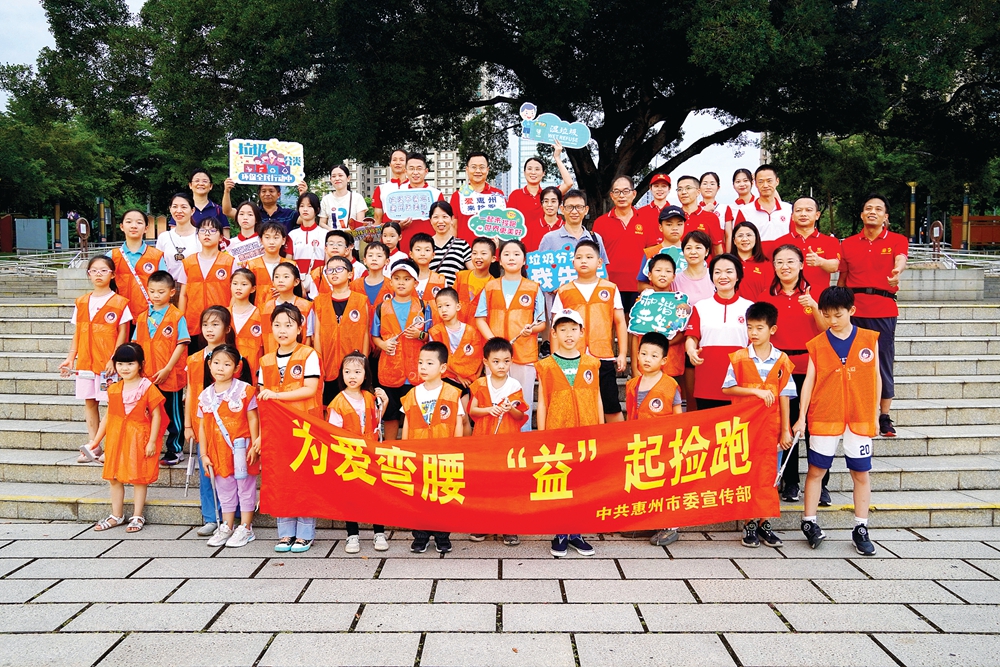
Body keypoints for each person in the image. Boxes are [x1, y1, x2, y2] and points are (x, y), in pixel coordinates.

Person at [792, 286, 879, 556]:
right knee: (817, 470)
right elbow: (809, 382)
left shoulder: (869, 339)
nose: (832, 321)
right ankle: (809, 521)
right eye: (827, 315)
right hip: (825, 414)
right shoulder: (818, 344)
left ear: (851, 311)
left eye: (838, 315)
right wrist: (801, 418)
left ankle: (861, 527)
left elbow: (876, 377)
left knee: (860, 473)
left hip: (859, 416)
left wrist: (876, 414)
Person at [759, 245, 830, 504]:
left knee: (815, 426)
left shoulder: (816, 293)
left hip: (811, 367)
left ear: (801, 264)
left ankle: (820, 482)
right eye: (779, 262)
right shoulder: (766, 297)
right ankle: (791, 482)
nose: (785, 266)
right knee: (786, 425)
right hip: (781, 369)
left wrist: (814, 306)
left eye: (790, 261)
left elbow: (827, 329)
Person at [721, 302, 796, 547]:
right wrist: (755, 392)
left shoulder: (782, 360)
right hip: (745, 428)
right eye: (750, 327)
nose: (753, 333)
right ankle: (749, 523)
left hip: (773, 428)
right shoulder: (739, 357)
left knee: (770, 476)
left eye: (759, 328)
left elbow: (785, 395)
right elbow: (727, 388)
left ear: (772, 329)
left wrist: (786, 430)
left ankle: (765, 522)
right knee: (748, 475)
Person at [837, 194, 907, 437]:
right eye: (868, 208)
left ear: (885, 216)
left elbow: (901, 259)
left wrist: (897, 271)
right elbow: (842, 278)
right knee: (851, 362)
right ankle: (853, 410)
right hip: (854, 311)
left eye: (878, 209)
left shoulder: (897, 240)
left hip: (883, 310)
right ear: (861, 214)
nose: (872, 212)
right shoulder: (848, 244)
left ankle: (884, 416)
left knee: (883, 361)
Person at [258, 303, 323, 552]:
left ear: (299, 328)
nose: (282, 330)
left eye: (288, 325)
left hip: (305, 428)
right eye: (277, 325)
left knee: (304, 479)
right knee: (281, 479)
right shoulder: (265, 360)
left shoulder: (308, 355)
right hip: (277, 430)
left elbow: (310, 389)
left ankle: (305, 534)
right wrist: (261, 435)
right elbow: (262, 399)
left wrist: (276, 395)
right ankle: (285, 534)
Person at [535, 309, 599, 558]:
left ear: (582, 332)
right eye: (563, 329)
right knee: (560, 481)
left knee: (582, 483)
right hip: (557, 433)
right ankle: (560, 532)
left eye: (573, 329)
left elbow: (597, 397)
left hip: (585, 431)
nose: (569, 334)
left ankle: (577, 533)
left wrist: (601, 429)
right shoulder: (546, 366)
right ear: (553, 333)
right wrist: (542, 433)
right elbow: (542, 401)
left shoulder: (591, 364)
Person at [88, 343, 166, 533]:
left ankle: (137, 515)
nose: (125, 368)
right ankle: (117, 515)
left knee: (139, 477)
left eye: (130, 364)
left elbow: (157, 415)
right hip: (116, 438)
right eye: (120, 364)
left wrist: (152, 441)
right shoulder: (114, 388)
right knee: (114, 477)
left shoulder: (147, 387)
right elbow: (108, 416)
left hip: (139, 437)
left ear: (141, 364)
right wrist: (96, 441)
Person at [64, 256, 132, 463]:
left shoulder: (120, 303)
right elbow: (78, 332)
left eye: (104, 270)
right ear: (89, 274)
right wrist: (70, 357)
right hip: (85, 362)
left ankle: (111, 447)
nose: (98, 274)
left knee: (112, 405)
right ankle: (93, 447)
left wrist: (114, 359)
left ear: (112, 275)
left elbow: (123, 334)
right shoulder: (81, 302)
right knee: (90, 402)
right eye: (94, 271)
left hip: (108, 365)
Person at [474, 240, 547, 431]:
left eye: (516, 254)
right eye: (506, 254)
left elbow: (542, 322)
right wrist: (494, 342)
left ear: (524, 260)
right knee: (495, 401)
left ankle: (522, 439)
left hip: (524, 353)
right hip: (496, 356)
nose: (511, 258)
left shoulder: (533, 287)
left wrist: (532, 330)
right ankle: (496, 439)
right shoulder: (490, 286)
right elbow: (480, 318)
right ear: (499, 260)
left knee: (522, 402)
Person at [552, 240, 627, 422]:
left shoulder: (610, 288)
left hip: (603, 356)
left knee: (611, 404)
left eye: (589, 257)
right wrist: (556, 358)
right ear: (573, 262)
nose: (583, 261)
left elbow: (620, 322)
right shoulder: (564, 291)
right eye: (579, 257)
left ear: (599, 262)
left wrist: (622, 353)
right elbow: (555, 328)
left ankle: (619, 439)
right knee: (575, 404)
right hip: (572, 357)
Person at [402, 341, 465, 554]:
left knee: (442, 496)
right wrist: (406, 450)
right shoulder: (412, 393)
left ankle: (442, 536)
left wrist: (457, 449)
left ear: (443, 367)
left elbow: (458, 423)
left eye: (429, 363)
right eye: (420, 362)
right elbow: (407, 423)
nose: (423, 367)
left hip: (444, 454)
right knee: (420, 496)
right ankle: (420, 536)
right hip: (419, 454)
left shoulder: (452, 393)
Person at [186, 306, 242, 537]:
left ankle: (236, 513)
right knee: (207, 471)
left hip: (232, 425)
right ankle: (211, 517)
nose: (209, 329)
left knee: (233, 470)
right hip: (204, 423)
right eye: (205, 325)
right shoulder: (193, 359)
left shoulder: (236, 357)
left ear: (227, 328)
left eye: (215, 324)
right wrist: (188, 425)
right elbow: (191, 392)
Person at [327, 352, 390, 553]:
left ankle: (379, 532)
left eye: (357, 371)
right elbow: (334, 432)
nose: (352, 376)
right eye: (347, 372)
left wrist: (385, 402)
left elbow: (377, 421)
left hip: (371, 453)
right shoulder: (338, 401)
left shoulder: (369, 397)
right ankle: (352, 534)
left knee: (375, 495)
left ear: (365, 374)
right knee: (351, 496)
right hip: (349, 455)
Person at [467, 337, 527, 546]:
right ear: (486, 362)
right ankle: (483, 523)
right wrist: (489, 410)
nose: (501, 366)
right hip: (484, 438)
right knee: (484, 482)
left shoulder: (514, 385)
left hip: (507, 440)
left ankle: (509, 526)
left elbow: (520, 415)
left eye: (506, 361)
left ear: (512, 361)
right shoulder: (480, 384)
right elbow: (473, 411)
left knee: (508, 482)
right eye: (496, 361)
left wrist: (510, 409)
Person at [625, 331, 683, 547]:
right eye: (643, 354)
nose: (647, 359)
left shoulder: (670, 385)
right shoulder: (633, 385)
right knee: (645, 482)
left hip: (664, 444)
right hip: (640, 444)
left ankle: (670, 526)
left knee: (664, 485)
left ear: (664, 360)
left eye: (654, 355)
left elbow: (678, 417)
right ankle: (648, 521)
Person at [199, 345, 260, 547]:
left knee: (245, 487)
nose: (220, 368)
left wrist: (255, 444)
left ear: (236, 367)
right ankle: (227, 525)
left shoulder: (244, 390)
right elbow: (203, 427)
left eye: (227, 364)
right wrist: (203, 454)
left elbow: (253, 418)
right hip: (218, 450)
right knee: (224, 488)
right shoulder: (205, 395)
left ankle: (246, 527)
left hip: (242, 447)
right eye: (216, 363)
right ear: (209, 364)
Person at [371, 259, 434, 442]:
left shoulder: (424, 306)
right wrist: (383, 345)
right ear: (390, 282)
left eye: (407, 279)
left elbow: (432, 335)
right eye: (397, 278)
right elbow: (375, 336)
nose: (401, 282)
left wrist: (419, 335)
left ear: (415, 283)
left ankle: (412, 448)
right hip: (390, 369)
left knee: (414, 412)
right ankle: (390, 447)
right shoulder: (382, 307)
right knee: (390, 414)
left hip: (417, 370)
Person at [132, 270, 189, 466]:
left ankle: (175, 449)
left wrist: (167, 369)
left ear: (172, 292)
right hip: (147, 375)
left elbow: (182, 344)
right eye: (152, 291)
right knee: (149, 413)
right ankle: (149, 447)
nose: (156, 295)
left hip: (170, 374)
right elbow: (136, 344)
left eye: (161, 292)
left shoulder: (177, 316)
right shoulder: (142, 317)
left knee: (173, 413)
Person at [685, 254, 753, 410]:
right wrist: (691, 350)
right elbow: (691, 337)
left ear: (738, 276)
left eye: (729, 271)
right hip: (707, 383)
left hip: (740, 384)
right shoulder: (701, 307)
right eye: (717, 272)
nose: (723, 276)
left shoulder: (749, 307)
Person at [536, 189, 610, 317]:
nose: (574, 211)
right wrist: (551, 287)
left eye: (579, 207)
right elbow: (540, 274)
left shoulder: (595, 238)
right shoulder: (549, 239)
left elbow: (604, 274)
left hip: (590, 305)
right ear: (562, 209)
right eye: (570, 207)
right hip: (559, 307)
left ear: (586, 210)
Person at [314, 255, 370, 406]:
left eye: (339, 269)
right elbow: (317, 335)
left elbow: (365, 333)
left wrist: (363, 362)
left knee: (354, 406)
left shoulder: (361, 300)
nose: (334, 273)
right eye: (330, 270)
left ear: (350, 274)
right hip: (328, 364)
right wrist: (320, 363)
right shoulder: (320, 301)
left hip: (353, 366)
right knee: (329, 407)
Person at [630, 255, 686, 400]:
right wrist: (634, 366)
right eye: (658, 270)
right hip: (645, 362)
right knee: (644, 402)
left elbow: (683, 333)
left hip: (671, 361)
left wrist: (663, 345)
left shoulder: (680, 302)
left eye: (668, 271)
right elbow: (635, 335)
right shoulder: (641, 302)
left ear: (674, 276)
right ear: (649, 275)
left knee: (670, 401)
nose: (663, 274)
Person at [590, 175, 646, 315]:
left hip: (638, 285)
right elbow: (595, 255)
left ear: (634, 194)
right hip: (609, 284)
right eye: (617, 192)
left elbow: (652, 254)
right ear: (612, 196)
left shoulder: (646, 220)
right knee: (611, 323)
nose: (621, 196)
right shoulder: (600, 223)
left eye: (626, 191)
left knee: (634, 324)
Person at [430, 287, 484, 431]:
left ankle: (465, 444)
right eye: (439, 307)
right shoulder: (435, 332)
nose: (443, 310)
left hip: (466, 381)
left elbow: (477, 358)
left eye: (447, 305)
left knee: (464, 418)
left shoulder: (471, 331)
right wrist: (458, 375)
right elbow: (436, 359)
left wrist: (472, 378)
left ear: (458, 306)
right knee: (446, 418)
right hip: (444, 379)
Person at [178, 217, 235, 349]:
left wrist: (228, 315)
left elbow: (235, 294)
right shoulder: (188, 262)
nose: (207, 234)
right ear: (197, 235)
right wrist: (181, 320)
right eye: (203, 230)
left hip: (220, 322)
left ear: (221, 237)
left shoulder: (230, 262)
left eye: (212, 230)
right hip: (193, 322)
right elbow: (183, 295)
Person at [509, 145, 575, 253]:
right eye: (529, 169)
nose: (533, 172)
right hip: (523, 248)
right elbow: (509, 222)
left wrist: (557, 157)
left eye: (537, 169)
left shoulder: (548, 196)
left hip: (549, 246)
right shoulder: (515, 195)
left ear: (543, 173)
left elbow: (569, 183)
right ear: (524, 172)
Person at [108, 209, 166, 332]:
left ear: (146, 228)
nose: (134, 226)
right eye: (129, 222)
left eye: (139, 222)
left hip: (148, 316)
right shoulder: (112, 256)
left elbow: (164, 285)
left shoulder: (156, 256)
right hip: (119, 315)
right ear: (122, 227)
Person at [771, 196, 841, 290]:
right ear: (792, 216)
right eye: (798, 210)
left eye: (808, 210)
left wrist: (820, 261)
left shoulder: (830, 241)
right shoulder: (780, 242)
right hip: (788, 295)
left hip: (819, 295)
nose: (803, 214)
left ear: (817, 215)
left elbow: (834, 266)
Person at [452, 152, 507, 244]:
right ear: (467, 169)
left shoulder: (498, 195)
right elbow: (453, 226)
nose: (478, 171)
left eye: (482, 167)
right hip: (465, 250)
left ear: (487, 170)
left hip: (492, 250)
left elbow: (505, 225)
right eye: (473, 167)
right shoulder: (457, 195)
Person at [260, 262, 314, 355]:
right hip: (272, 357)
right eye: (277, 277)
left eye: (286, 277)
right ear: (273, 282)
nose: (281, 280)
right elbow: (264, 337)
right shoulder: (267, 307)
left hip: (298, 357)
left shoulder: (306, 306)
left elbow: (308, 336)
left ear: (296, 282)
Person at [396, 153, 445, 252]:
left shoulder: (436, 194)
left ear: (426, 171)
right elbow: (392, 223)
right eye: (411, 169)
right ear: (405, 171)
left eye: (419, 168)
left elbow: (443, 222)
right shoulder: (398, 193)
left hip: (430, 246)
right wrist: (399, 226)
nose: (415, 172)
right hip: (405, 245)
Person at [222, 182, 308, 233]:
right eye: (263, 191)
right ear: (259, 194)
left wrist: (303, 195)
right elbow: (227, 211)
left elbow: (305, 218)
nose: (267, 194)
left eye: (271, 191)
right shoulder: (252, 213)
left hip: (284, 256)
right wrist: (227, 191)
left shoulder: (289, 214)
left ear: (279, 194)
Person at [734, 164, 789, 242]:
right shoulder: (745, 211)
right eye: (761, 181)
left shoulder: (789, 209)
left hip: (785, 250)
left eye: (769, 181)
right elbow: (739, 239)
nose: (765, 185)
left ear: (777, 181)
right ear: (755, 184)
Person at [636, 205, 685, 291]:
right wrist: (663, 293)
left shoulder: (692, 253)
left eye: (679, 224)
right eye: (669, 224)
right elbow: (641, 286)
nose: (675, 228)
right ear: (660, 227)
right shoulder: (651, 253)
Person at [156, 193, 202, 282]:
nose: (179, 211)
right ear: (170, 209)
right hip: (168, 286)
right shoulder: (164, 237)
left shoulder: (201, 235)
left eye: (184, 207)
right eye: (175, 207)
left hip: (194, 285)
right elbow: (158, 264)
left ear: (192, 210)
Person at [675, 176, 724, 256]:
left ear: (698, 192)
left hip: (703, 263)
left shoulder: (711, 218)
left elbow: (717, 249)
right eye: (679, 189)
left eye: (688, 188)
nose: (683, 192)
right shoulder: (674, 216)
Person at [229, 268, 265, 380]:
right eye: (235, 283)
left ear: (253, 289)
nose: (238, 287)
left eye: (244, 284)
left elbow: (265, 346)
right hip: (228, 368)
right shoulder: (225, 314)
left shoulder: (261, 314)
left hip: (253, 369)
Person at [428, 201, 473, 286]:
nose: (440, 221)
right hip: (430, 293)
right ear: (430, 220)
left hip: (454, 293)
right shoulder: (425, 245)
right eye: (436, 217)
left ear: (452, 219)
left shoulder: (462, 245)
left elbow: (475, 272)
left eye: (445, 217)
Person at [245, 222, 290, 306]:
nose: (271, 242)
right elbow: (245, 291)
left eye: (276, 238)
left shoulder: (290, 265)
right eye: (267, 237)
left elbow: (301, 293)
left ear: (283, 240)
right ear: (261, 240)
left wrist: (286, 291)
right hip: (259, 310)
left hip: (284, 310)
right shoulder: (252, 265)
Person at [452, 237, 495, 324]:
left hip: (477, 330)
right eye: (474, 253)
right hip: (456, 328)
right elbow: (451, 301)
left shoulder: (494, 285)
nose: (478, 257)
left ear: (493, 258)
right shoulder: (461, 276)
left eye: (483, 253)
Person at [288, 192, 327, 278]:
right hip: (297, 280)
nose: (305, 209)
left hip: (319, 279)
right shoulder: (292, 235)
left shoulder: (325, 234)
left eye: (309, 206)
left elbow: (328, 261)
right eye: (302, 206)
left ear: (317, 209)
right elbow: (288, 261)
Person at [731, 221, 773, 301]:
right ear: (734, 241)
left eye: (749, 235)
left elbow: (768, 292)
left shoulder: (766, 264)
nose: (744, 239)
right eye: (740, 236)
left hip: (757, 308)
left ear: (756, 239)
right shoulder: (727, 262)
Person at [319, 163, 368, 232]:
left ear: (348, 178)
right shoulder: (326, 199)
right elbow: (322, 223)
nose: (337, 178)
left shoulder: (357, 198)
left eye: (340, 175)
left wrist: (346, 232)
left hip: (351, 237)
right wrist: (333, 231)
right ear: (330, 179)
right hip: (332, 237)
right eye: (333, 176)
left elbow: (360, 223)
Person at [183, 168, 230, 237]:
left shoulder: (218, 210)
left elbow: (226, 238)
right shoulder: (182, 209)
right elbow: (175, 235)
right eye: (197, 181)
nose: (201, 184)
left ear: (210, 186)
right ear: (190, 185)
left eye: (204, 181)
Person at [310, 230, 356, 296]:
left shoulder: (355, 271)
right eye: (331, 244)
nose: (335, 247)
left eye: (339, 244)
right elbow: (313, 298)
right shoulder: (317, 273)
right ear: (325, 249)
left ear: (347, 250)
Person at [372, 149, 409, 224]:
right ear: (390, 164)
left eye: (401, 160)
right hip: (389, 229)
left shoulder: (415, 187)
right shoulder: (381, 189)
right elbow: (378, 218)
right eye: (394, 160)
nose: (398, 163)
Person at [225, 201, 264, 267]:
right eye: (241, 214)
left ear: (256, 219)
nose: (245, 218)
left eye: (250, 214)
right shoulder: (229, 244)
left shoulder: (263, 242)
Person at [723, 168, 756, 246]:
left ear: (752, 182)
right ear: (733, 185)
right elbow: (729, 235)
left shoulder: (759, 203)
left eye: (745, 181)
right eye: (738, 182)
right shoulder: (730, 208)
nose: (742, 184)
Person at [638, 173, 672, 248]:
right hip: (646, 252)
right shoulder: (640, 212)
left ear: (669, 189)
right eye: (656, 186)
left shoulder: (675, 212)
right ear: (650, 188)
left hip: (670, 252)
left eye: (664, 186)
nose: (659, 189)